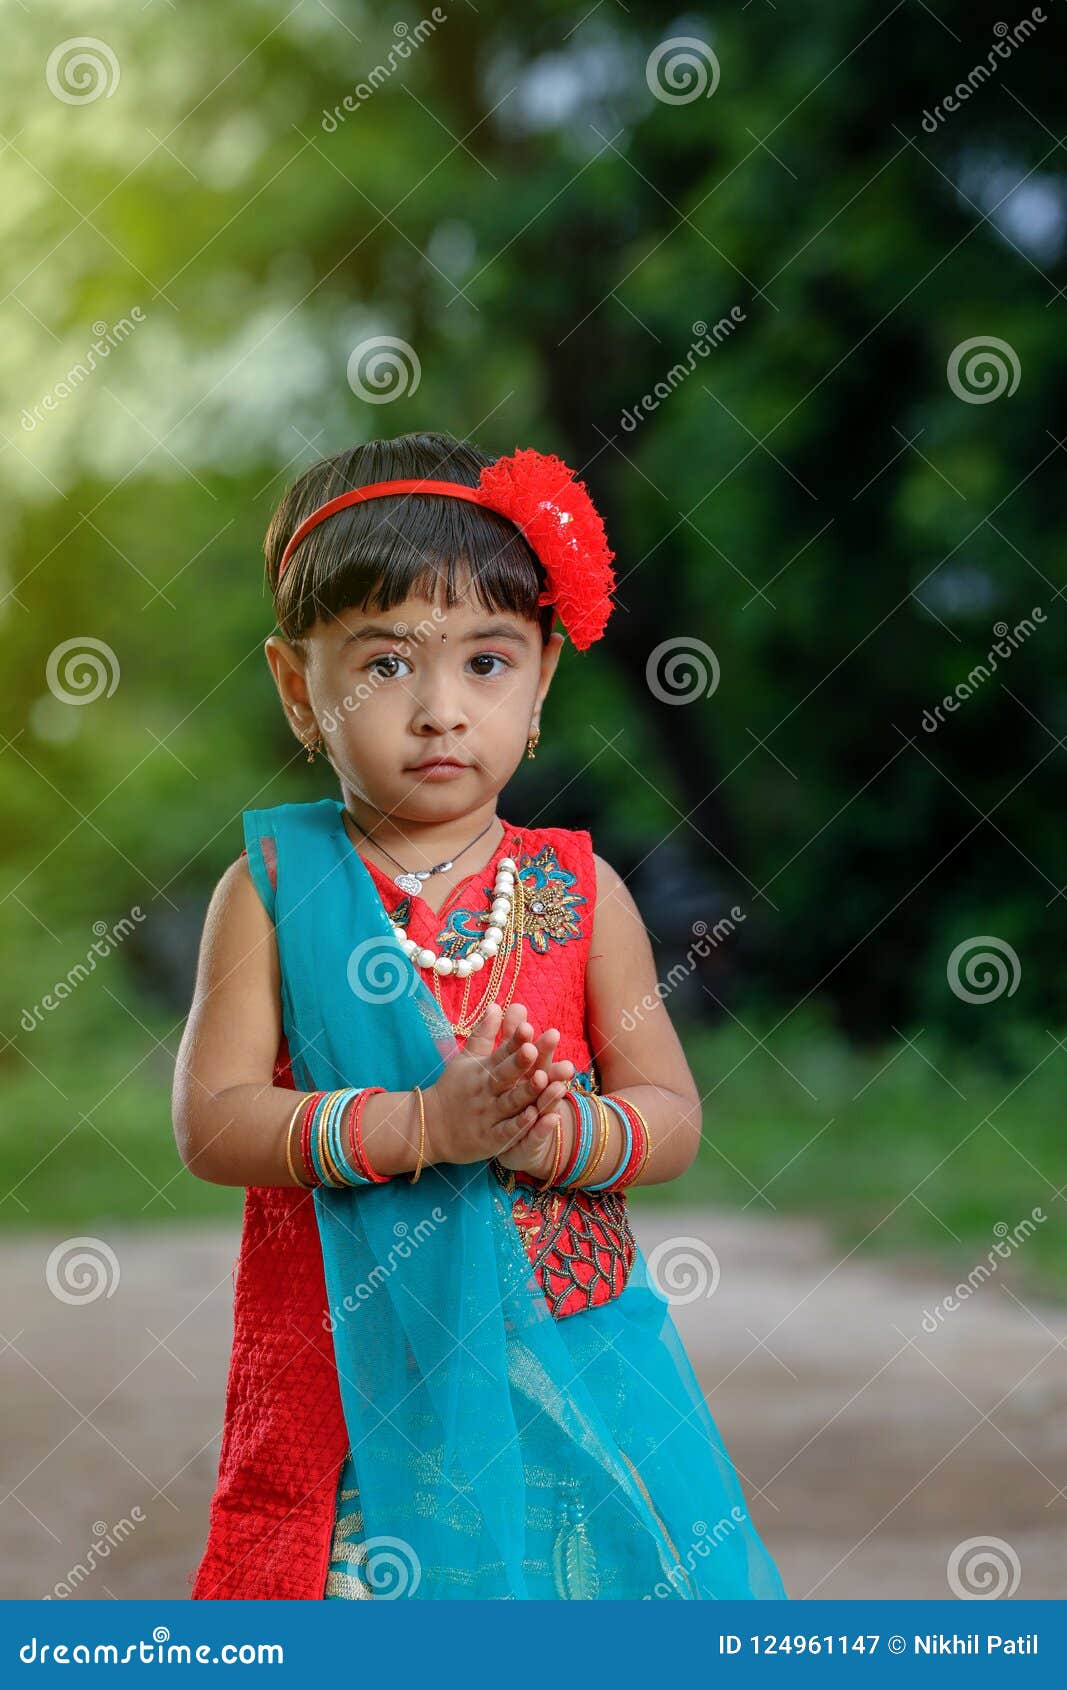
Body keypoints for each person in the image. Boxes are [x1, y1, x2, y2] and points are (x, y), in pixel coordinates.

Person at [174, 430, 788, 1601]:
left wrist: (554, 1139)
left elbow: (668, 1114)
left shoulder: (576, 892)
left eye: (486, 662)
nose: (439, 710)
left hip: (565, 1370)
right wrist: (421, 1124)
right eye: (384, 665)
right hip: (363, 1372)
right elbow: (212, 1122)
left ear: (543, 676)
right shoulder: (273, 888)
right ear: (297, 687)